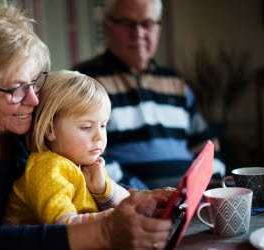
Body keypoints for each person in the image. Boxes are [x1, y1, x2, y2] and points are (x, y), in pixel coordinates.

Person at [0, 1, 173, 249]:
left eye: (35, 81)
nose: (34, 99)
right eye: (17, 88)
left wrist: (138, 197)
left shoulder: (16, 121)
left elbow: (77, 179)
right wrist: (107, 232)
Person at [73, 0, 226, 189]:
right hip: (129, 203)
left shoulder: (176, 82)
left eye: (147, 24)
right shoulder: (84, 82)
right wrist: (141, 193)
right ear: (108, 26)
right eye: (128, 24)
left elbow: (206, 145)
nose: (138, 33)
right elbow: (84, 154)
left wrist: (208, 186)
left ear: (158, 28)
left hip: (191, 200)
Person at [3, 70, 131, 226]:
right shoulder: (47, 169)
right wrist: (122, 215)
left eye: (103, 125)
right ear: (49, 130)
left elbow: (128, 203)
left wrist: (102, 188)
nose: (99, 136)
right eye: (86, 127)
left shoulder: (85, 163)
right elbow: (64, 227)